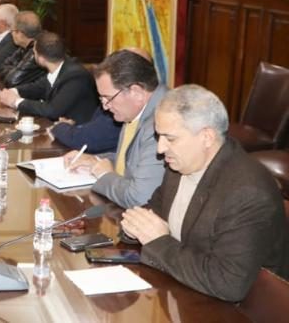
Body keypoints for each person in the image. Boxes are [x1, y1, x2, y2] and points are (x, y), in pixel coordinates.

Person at [120, 85, 288, 302]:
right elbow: (153, 213)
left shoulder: (247, 193)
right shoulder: (180, 165)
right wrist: (133, 228)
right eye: (158, 136)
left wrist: (158, 241)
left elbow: (228, 283)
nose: (160, 149)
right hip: (185, 290)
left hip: (237, 310)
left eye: (170, 138)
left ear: (207, 137)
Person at [64, 50, 166, 207]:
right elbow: (133, 161)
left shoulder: (161, 123)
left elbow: (140, 198)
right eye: (101, 99)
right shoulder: (133, 109)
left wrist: (104, 175)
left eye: (108, 98)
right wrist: (95, 161)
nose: (105, 107)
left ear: (136, 92)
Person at [0, 32, 98, 123]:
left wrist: (16, 102)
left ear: (41, 59)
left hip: (79, 131)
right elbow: (37, 87)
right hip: (60, 126)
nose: (33, 54)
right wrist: (14, 91)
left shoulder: (76, 77)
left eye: (34, 52)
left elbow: (52, 110)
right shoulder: (60, 67)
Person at [0, 10, 45, 88]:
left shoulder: (37, 50)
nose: (11, 34)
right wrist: (13, 70)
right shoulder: (24, 47)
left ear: (20, 33)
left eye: (12, 31)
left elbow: (12, 81)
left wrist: (13, 70)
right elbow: (2, 67)